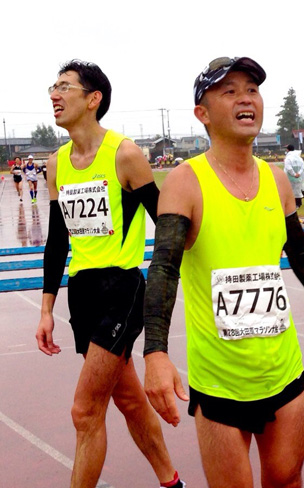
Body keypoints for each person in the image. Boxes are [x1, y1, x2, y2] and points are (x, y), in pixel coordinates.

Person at [142, 55, 304, 488]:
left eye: (251, 89)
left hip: (283, 373)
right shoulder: (185, 182)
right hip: (219, 383)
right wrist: (155, 351)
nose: (245, 99)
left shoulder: (277, 181)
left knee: (287, 480)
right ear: (203, 114)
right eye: (228, 92)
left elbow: (303, 258)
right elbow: (163, 270)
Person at [34, 59, 185, 488]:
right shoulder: (56, 163)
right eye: (53, 86)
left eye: (65, 87)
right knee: (130, 400)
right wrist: (46, 311)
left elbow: (166, 223)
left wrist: (166, 292)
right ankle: (172, 482)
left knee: (84, 411)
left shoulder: (124, 154)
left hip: (122, 288)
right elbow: (57, 242)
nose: (54, 95)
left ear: (93, 99)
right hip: (82, 293)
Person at [283, 144, 304, 208]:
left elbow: (288, 168)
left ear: (287, 150)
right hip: (298, 177)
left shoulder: (288, 158)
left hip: (290, 177)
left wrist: (294, 174)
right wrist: (299, 173)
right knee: (298, 190)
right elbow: (302, 167)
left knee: (290, 191)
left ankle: (293, 204)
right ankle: (299, 203)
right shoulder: (299, 158)